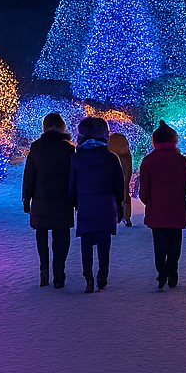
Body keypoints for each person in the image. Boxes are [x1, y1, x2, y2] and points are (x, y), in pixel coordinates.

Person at [67, 116, 125, 293]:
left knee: (86, 243)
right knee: (103, 242)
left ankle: (88, 279)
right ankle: (102, 276)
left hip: (86, 204)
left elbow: (72, 185)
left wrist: (74, 202)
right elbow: (119, 185)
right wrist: (120, 206)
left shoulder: (77, 158)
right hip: (106, 205)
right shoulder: (111, 158)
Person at [137, 121, 186, 289]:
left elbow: (144, 188)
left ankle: (161, 270)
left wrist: (148, 200)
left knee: (159, 243)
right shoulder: (181, 161)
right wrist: (179, 196)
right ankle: (172, 269)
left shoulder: (148, 161)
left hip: (157, 208)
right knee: (175, 241)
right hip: (176, 207)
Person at [22, 112, 75, 288]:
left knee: (42, 235)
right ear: (62, 127)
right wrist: (75, 199)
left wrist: (26, 198)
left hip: (41, 199)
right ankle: (59, 272)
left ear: (44, 127)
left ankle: (44, 269)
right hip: (62, 200)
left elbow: (29, 175)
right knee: (62, 236)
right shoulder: (68, 149)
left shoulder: (36, 148)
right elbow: (73, 177)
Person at [108, 131, 134, 226]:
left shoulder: (110, 157)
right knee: (125, 191)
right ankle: (126, 216)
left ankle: (114, 214)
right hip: (123, 178)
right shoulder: (126, 156)